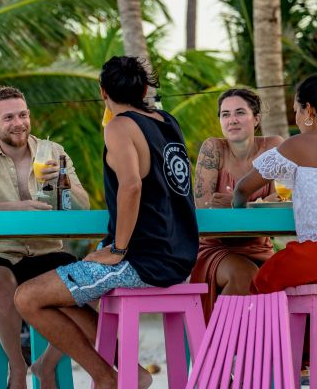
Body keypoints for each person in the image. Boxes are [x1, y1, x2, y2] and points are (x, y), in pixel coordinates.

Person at [14, 56, 199, 389]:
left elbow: (132, 186)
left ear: (102, 92)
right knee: (63, 289)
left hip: (143, 260)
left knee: (27, 297)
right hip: (180, 254)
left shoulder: (119, 127)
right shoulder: (167, 121)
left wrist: (118, 249)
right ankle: (130, 371)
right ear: (143, 90)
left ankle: (105, 378)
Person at [0, 86, 89, 389]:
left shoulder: (53, 151)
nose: (18, 123)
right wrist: (20, 207)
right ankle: (17, 367)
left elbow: (83, 205)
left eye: (23, 115)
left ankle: (46, 365)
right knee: (2, 288)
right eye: (8, 118)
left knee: (89, 288)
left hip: (46, 249)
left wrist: (64, 181)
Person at [234, 73, 317, 386]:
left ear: (309, 110)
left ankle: (283, 366)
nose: (297, 117)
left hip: (315, 258)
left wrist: (238, 211)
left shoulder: (296, 145)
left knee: (263, 283)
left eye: (297, 110)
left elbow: (243, 188)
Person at [190, 88, 283, 319]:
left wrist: (237, 203)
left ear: (256, 118)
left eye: (240, 112)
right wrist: (259, 203)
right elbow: (204, 211)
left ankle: (275, 341)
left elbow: (283, 201)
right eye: (225, 114)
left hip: (261, 249)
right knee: (244, 275)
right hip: (214, 249)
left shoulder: (273, 147)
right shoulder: (213, 149)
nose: (232, 120)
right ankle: (218, 342)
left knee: (292, 276)